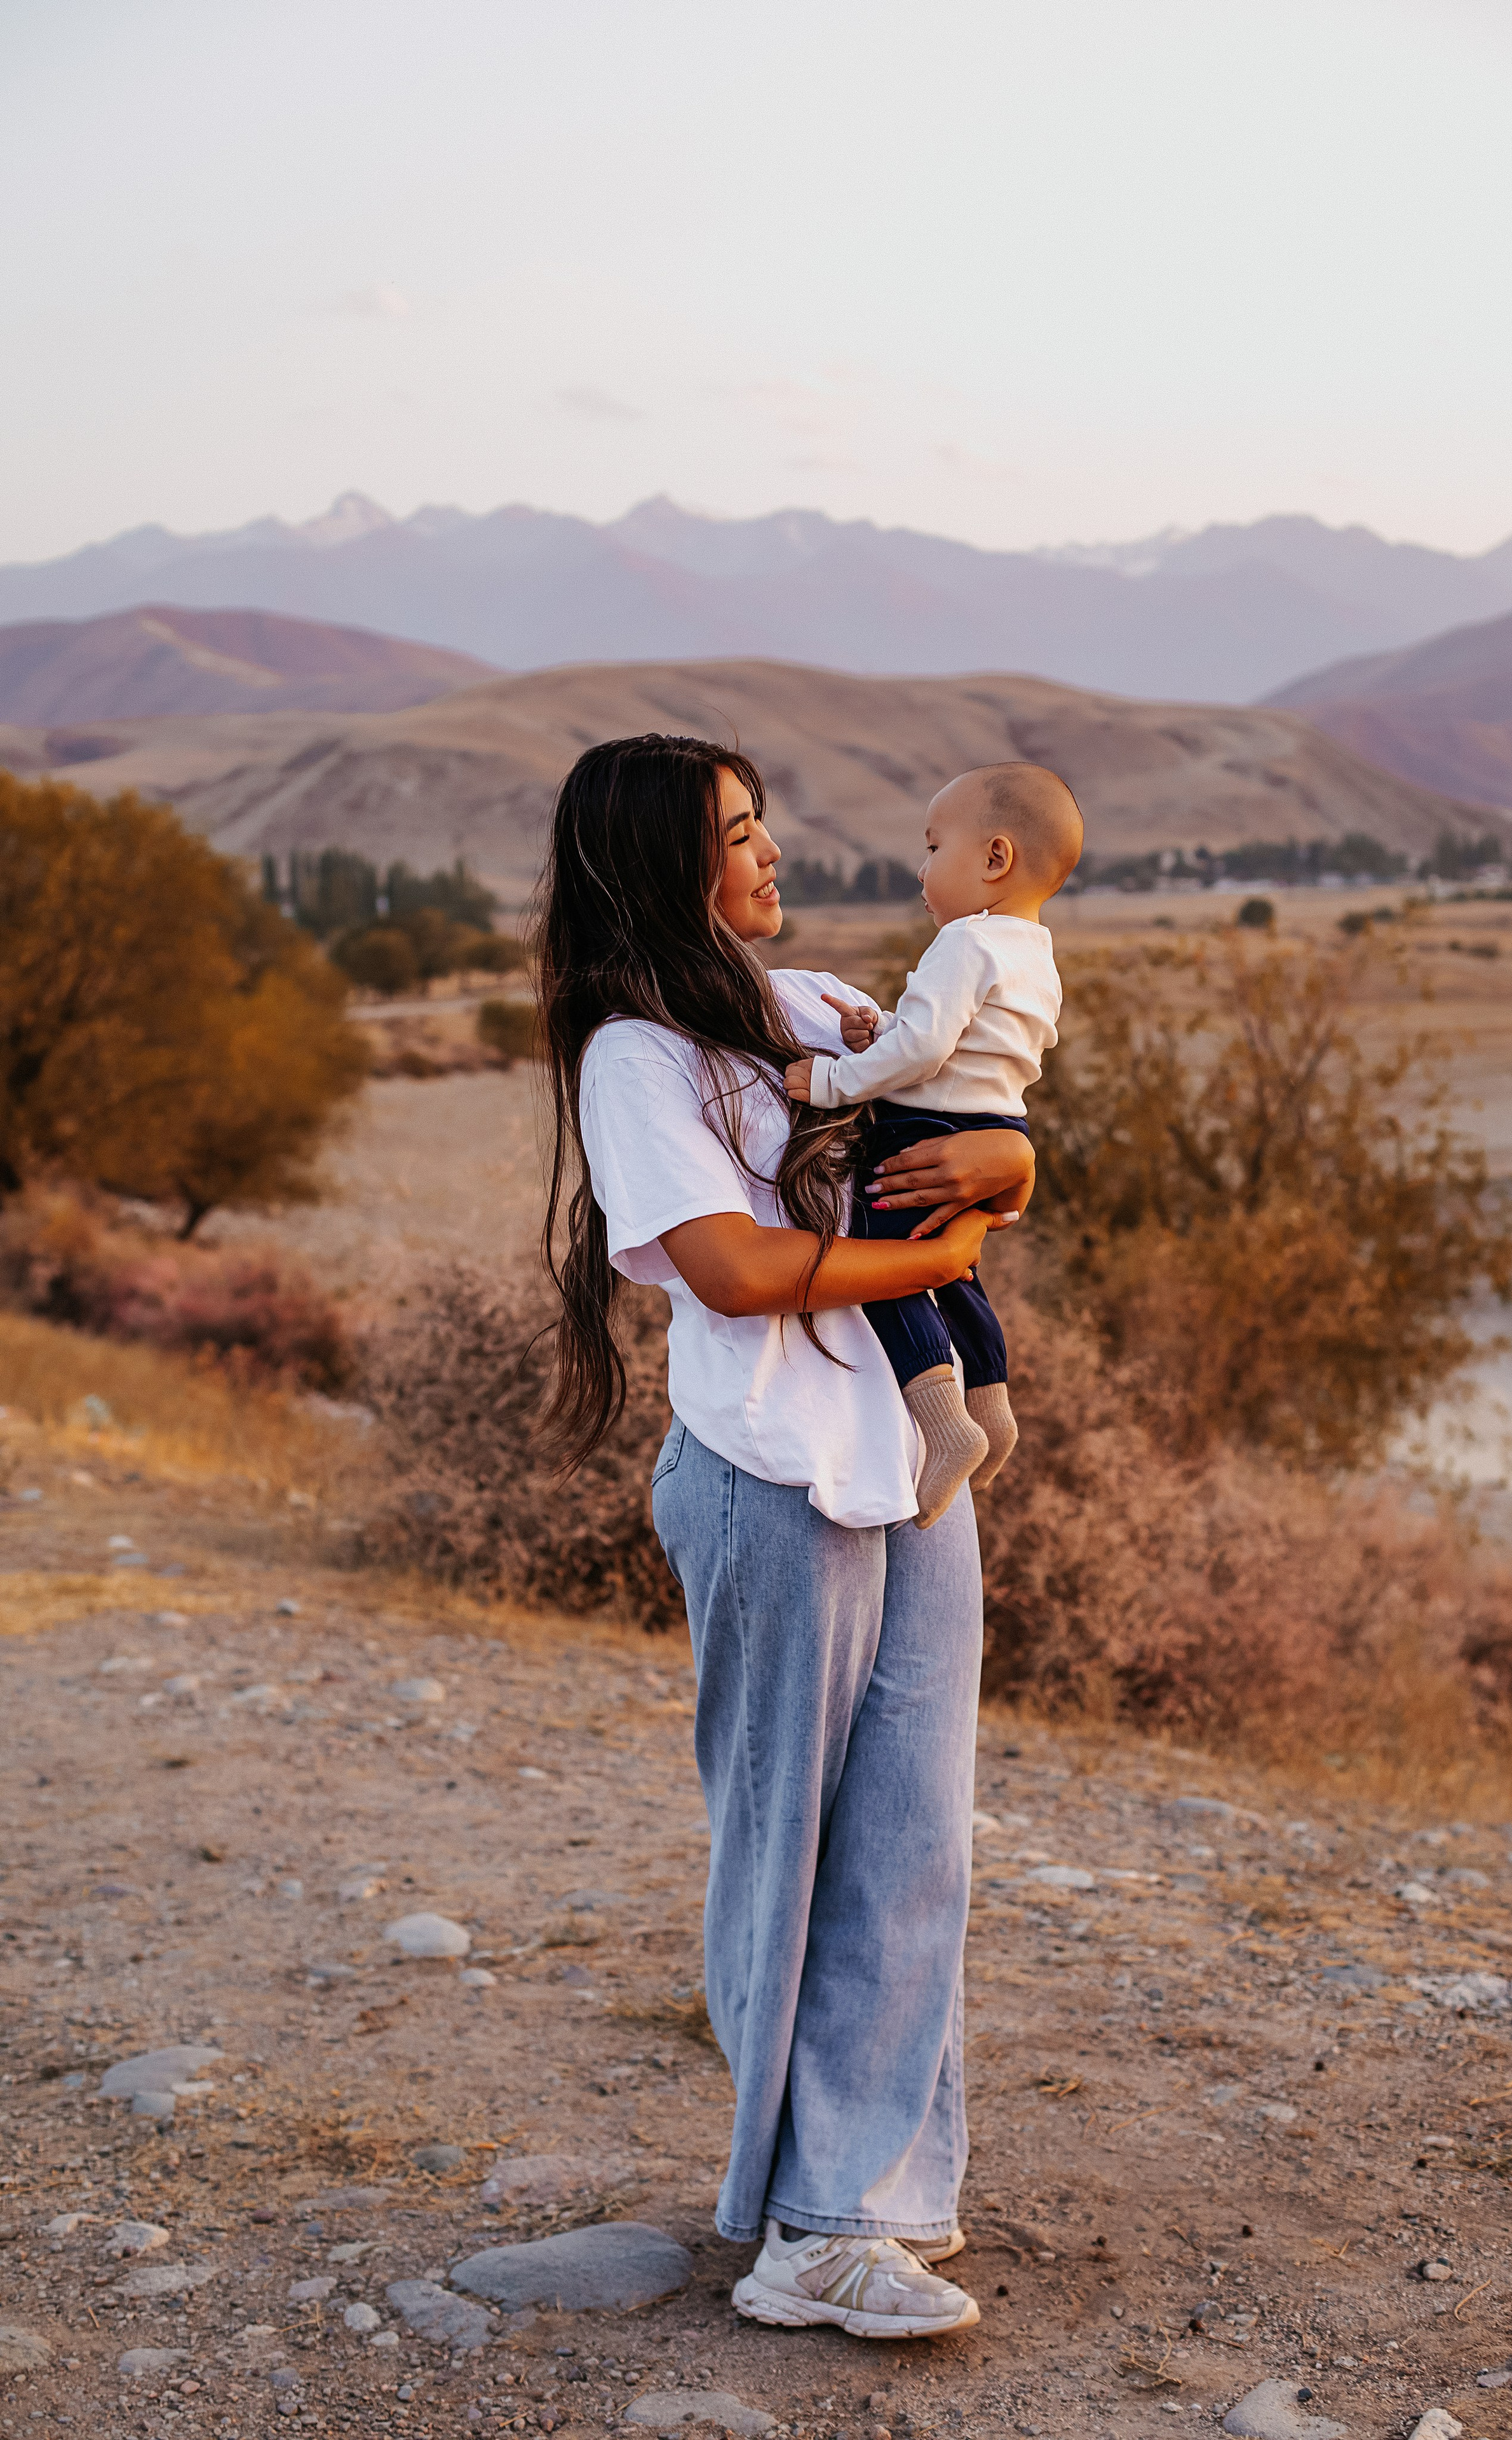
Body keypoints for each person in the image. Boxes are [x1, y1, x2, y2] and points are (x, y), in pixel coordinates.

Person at [532, 733, 1036, 2340]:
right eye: (735, 833)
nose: (768, 852)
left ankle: (866, 2206)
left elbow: (975, 1111)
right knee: (790, 1849)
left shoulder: (815, 1006)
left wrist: (1009, 1165)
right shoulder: (639, 1057)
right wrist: (935, 1249)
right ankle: (789, 2226)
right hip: (764, 1477)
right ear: (657, 864)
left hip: (911, 1468)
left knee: (913, 1845)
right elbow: (737, 1269)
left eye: (761, 824)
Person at [785, 766, 1082, 1527]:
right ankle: (991, 1398)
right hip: (994, 1130)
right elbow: (964, 1044)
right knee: (958, 1274)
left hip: (926, 1132)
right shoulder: (1034, 953)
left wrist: (833, 1078)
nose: (921, 868)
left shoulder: (964, 943)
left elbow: (922, 1057)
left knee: (887, 1272)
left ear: (993, 859)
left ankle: (947, 1429)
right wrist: (881, 1031)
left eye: (932, 846)